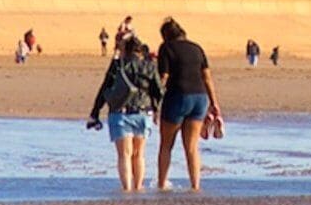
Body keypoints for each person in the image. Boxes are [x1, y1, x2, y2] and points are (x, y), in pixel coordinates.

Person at [85, 18, 161, 195]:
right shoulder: (149, 66)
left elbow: (105, 87)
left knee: (124, 155)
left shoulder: (118, 65)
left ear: (125, 49)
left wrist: (95, 112)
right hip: (143, 113)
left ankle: (127, 189)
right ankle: (139, 187)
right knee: (139, 154)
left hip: (120, 113)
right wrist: (156, 109)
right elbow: (159, 90)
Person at [154, 17, 215, 193]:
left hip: (178, 97)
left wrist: (155, 103)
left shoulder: (166, 48)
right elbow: (207, 77)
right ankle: (195, 186)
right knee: (192, 147)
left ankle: (162, 184)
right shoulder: (197, 48)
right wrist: (214, 104)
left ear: (165, 36)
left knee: (166, 145)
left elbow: (163, 77)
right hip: (200, 98)